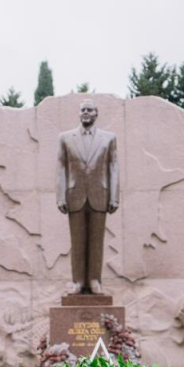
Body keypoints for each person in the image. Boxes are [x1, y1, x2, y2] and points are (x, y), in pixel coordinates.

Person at [56, 98, 119, 295]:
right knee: (77, 242)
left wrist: (114, 196)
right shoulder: (65, 138)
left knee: (96, 242)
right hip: (75, 196)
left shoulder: (109, 138)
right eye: (82, 109)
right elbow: (61, 168)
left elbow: (113, 167)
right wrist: (60, 196)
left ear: (96, 114)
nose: (85, 112)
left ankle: (94, 281)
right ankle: (77, 282)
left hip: (100, 196)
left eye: (89, 110)